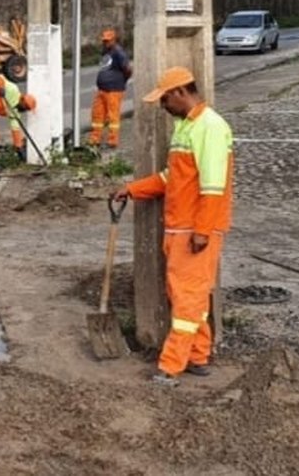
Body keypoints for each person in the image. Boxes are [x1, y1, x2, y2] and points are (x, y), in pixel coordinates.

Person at [112, 66, 233, 387]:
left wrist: (202, 231)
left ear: (180, 92)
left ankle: (170, 367)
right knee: (189, 297)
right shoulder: (186, 128)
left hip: (194, 230)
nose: (163, 106)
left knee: (187, 298)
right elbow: (171, 179)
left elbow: (213, 187)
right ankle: (197, 355)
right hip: (180, 229)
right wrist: (133, 189)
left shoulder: (210, 127)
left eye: (165, 99)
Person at [89, 28, 133, 148]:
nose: (105, 43)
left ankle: (112, 141)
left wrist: (121, 80)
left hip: (114, 90)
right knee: (97, 115)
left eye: (108, 41)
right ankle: (95, 139)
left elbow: (128, 69)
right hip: (102, 89)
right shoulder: (105, 52)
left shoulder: (119, 52)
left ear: (114, 40)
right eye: (104, 41)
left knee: (112, 116)